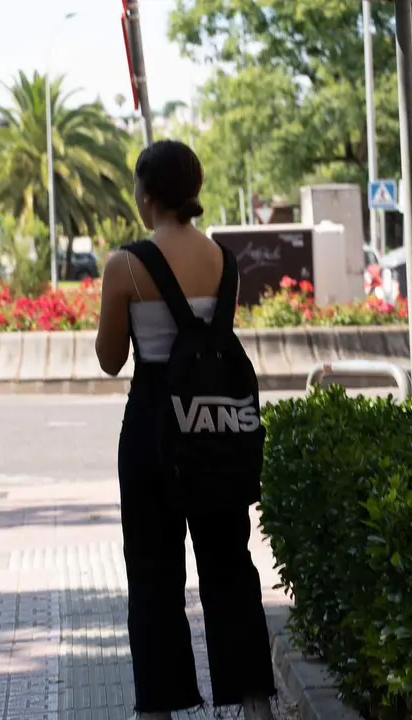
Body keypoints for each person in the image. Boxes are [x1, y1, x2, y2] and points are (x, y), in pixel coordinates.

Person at [94, 140, 278, 720]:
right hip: (216, 423)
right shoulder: (224, 259)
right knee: (230, 566)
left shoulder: (126, 265)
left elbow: (110, 358)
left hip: (152, 423)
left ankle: (160, 709)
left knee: (153, 572)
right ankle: (255, 704)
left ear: (146, 194)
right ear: (193, 190)